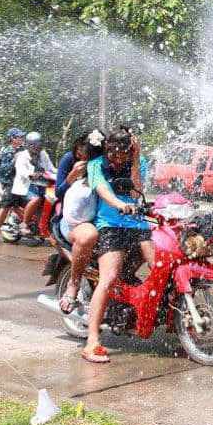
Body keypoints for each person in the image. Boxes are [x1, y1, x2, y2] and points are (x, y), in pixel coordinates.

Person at [82, 126, 154, 363]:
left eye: (125, 154)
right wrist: (117, 204)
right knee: (110, 277)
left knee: (161, 265)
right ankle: (92, 340)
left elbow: (137, 192)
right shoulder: (95, 165)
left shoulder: (137, 161)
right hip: (110, 226)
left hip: (137, 225)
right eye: (115, 155)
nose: (118, 160)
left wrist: (135, 159)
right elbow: (104, 191)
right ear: (107, 149)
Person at [56, 129, 105, 315]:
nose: (80, 160)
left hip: (101, 219)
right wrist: (71, 178)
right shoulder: (69, 160)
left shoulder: (103, 166)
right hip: (75, 221)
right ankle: (73, 284)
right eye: (78, 155)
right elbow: (59, 194)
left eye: (84, 158)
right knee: (88, 236)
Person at [14, 131, 56, 237]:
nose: (36, 148)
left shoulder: (43, 153)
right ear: (28, 145)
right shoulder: (23, 156)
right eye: (34, 145)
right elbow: (21, 171)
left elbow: (50, 167)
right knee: (36, 199)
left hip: (41, 182)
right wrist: (30, 174)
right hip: (27, 184)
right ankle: (24, 223)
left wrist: (61, 173)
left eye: (38, 145)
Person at [0, 128, 25, 246]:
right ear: (12, 139)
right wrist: (15, 159)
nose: (21, 139)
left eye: (22, 137)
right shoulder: (6, 151)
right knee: (6, 206)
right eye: (19, 137)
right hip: (9, 182)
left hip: (22, 181)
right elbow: (3, 169)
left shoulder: (23, 149)